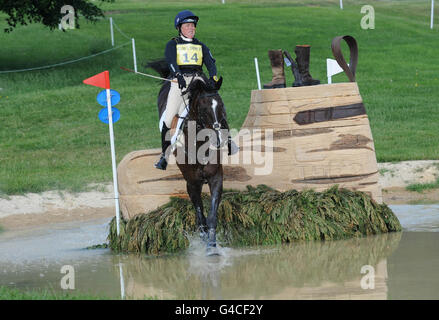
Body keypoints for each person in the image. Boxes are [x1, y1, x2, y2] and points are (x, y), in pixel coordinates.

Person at [154, 10, 220, 170]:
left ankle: (228, 140)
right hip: (179, 81)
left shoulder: (201, 45)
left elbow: (211, 63)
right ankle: (165, 155)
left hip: (198, 79)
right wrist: (177, 74)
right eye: (188, 25)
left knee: (215, 106)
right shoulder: (173, 44)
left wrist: (213, 78)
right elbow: (171, 61)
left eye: (193, 26)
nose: (191, 28)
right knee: (168, 118)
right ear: (180, 27)